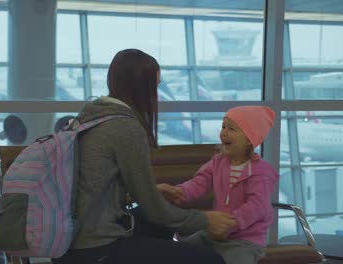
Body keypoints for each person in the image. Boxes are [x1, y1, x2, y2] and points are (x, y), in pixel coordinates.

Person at [52, 48, 235, 264]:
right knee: (210, 260)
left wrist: (150, 192)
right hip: (95, 248)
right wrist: (205, 219)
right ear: (141, 88)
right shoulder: (125, 127)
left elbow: (92, 187)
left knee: (159, 226)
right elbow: (155, 209)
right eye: (154, 87)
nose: (157, 96)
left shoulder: (89, 116)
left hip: (70, 243)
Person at [158, 106, 280, 264]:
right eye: (223, 127)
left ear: (250, 139)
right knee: (180, 252)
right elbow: (198, 183)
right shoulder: (217, 162)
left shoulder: (260, 172)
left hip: (244, 241)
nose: (224, 133)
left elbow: (258, 206)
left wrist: (231, 223)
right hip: (212, 234)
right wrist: (179, 192)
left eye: (231, 129)